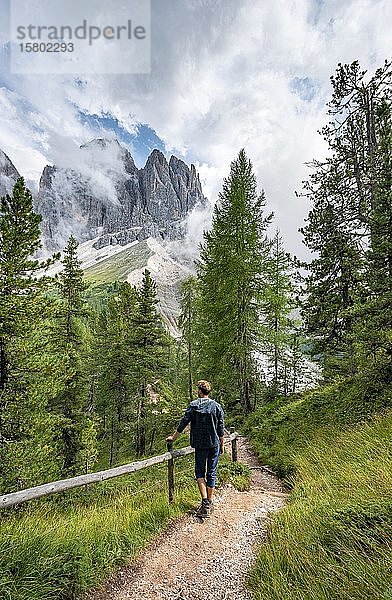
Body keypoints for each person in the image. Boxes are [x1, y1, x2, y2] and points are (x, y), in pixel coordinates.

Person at [166, 380, 225, 518]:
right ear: (208, 391)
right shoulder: (216, 406)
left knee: (199, 472)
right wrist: (222, 444)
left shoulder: (193, 406)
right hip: (214, 444)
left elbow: (183, 424)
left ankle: (205, 502)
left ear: (199, 391)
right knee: (212, 472)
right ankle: (209, 502)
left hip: (199, 445)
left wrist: (173, 438)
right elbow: (220, 429)